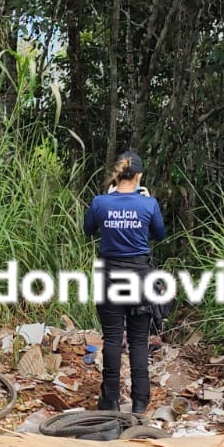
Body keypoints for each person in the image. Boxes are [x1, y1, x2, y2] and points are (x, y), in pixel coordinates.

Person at [84, 150, 166, 415]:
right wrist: (147, 202)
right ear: (139, 176)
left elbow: (88, 230)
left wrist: (108, 200)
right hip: (140, 278)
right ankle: (140, 401)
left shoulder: (100, 202)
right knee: (139, 341)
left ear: (116, 175)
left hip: (109, 276)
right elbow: (159, 234)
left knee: (112, 339)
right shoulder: (148, 204)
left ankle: (111, 400)